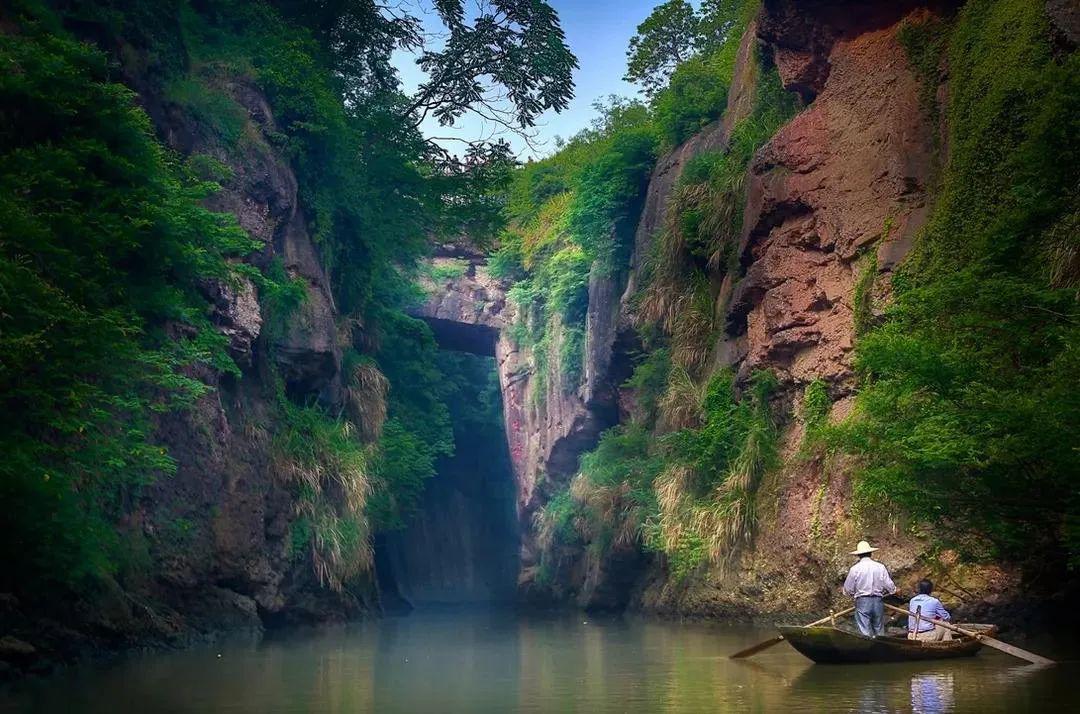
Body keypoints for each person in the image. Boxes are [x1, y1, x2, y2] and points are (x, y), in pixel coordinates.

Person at [842, 540, 897, 637]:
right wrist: (894, 590)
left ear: (858, 555)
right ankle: (881, 646)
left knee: (864, 630)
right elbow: (888, 584)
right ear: (871, 553)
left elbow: (848, 588)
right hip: (877, 600)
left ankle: (867, 648)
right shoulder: (880, 567)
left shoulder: (855, 569)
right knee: (879, 627)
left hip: (862, 601)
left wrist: (848, 593)